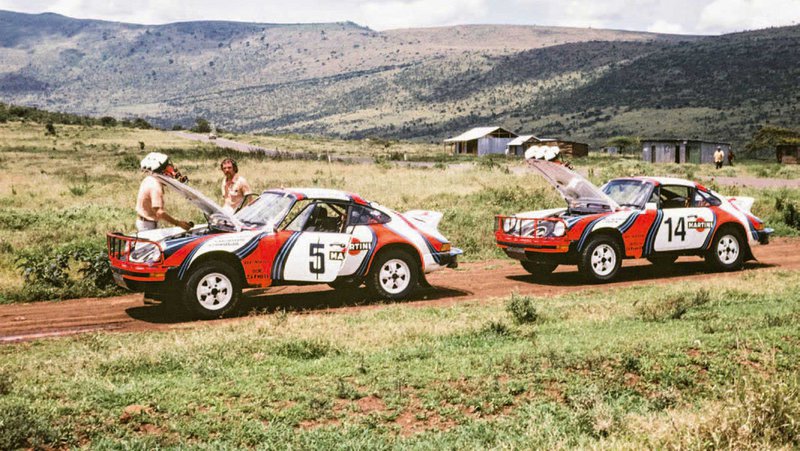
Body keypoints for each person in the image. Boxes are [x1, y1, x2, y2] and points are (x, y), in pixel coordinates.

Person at [136, 152, 193, 232]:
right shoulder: (155, 187)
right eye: (168, 167)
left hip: (145, 222)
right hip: (148, 225)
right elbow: (159, 213)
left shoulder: (150, 178)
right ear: (163, 171)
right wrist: (178, 223)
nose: (172, 170)